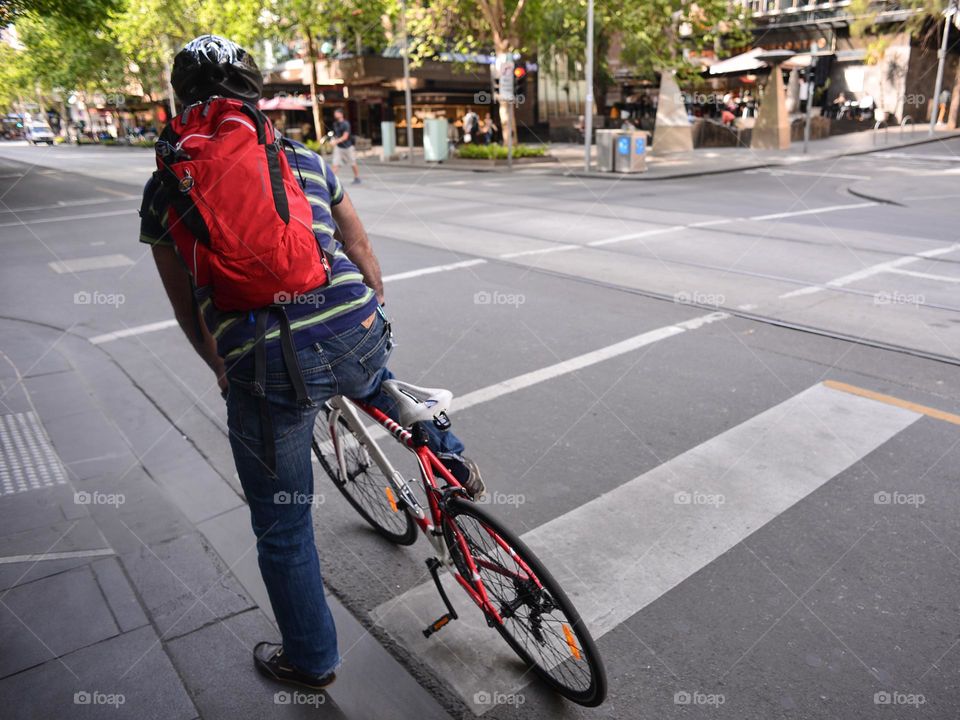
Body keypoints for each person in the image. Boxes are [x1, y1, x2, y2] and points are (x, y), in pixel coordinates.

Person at [140, 34, 484, 695]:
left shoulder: (165, 188)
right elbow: (358, 245)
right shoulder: (301, 157)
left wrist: (220, 364)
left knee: (284, 525)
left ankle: (311, 659)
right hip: (351, 327)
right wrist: (368, 306)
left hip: (265, 367)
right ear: (253, 93)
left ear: (182, 102)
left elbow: (186, 303)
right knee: (371, 374)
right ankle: (450, 454)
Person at [330, 108, 360, 184]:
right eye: (334, 113)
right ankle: (331, 180)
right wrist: (333, 140)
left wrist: (335, 142)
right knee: (335, 163)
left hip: (348, 147)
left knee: (353, 163)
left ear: (341, 114)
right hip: (339, 147)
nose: (335, 115)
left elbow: (345, 136)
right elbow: (336, 135)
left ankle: (357, 177)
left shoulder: (346, 124)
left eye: (336, 113)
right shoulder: (335, 124)